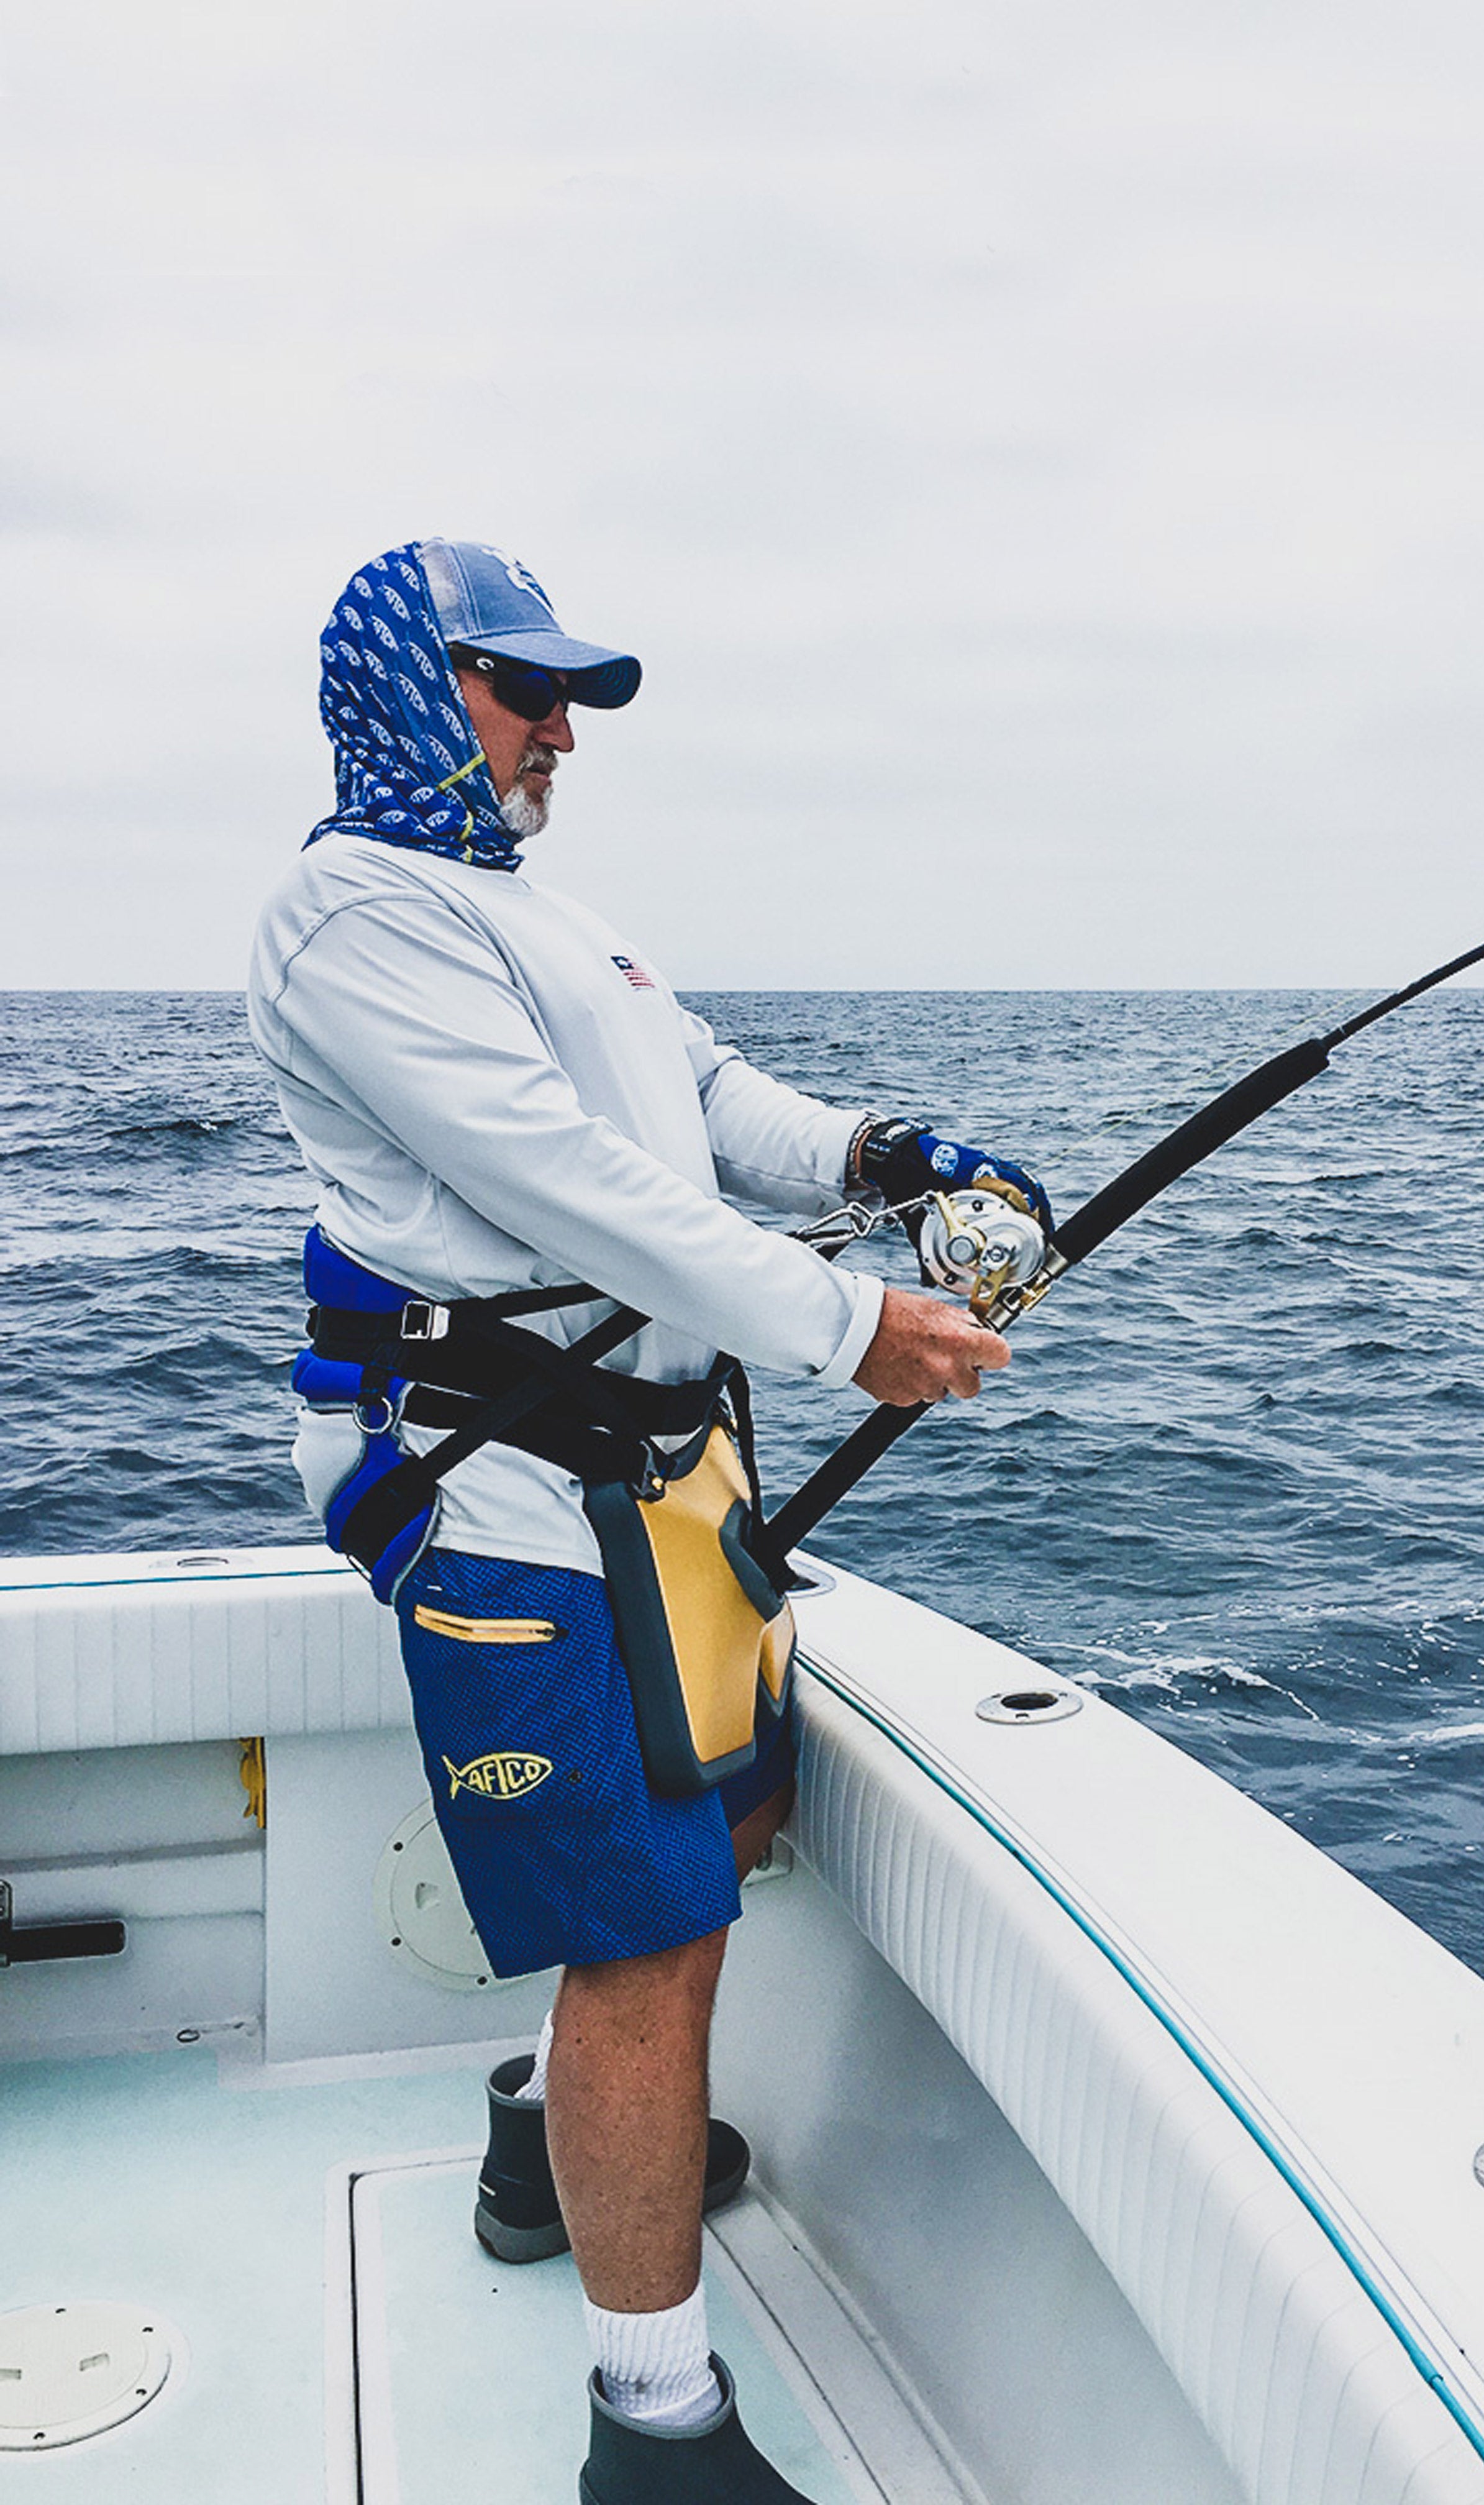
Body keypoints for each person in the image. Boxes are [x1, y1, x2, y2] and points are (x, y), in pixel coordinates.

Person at [248, 539, 1050, 2504]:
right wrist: (853, 1320)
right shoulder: (348, 920)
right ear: (412, 690)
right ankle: (654, 2427)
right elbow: (577, 1187)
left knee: (726, 1826)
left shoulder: (551, 921)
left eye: (572, 702)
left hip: (658, 1471)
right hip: (499, 1484)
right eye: (524, 694)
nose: (558, 734)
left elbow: (702, 1101)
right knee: (645, 1938)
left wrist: (887, 1155)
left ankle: (547, 2146)